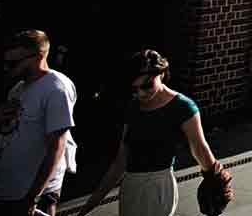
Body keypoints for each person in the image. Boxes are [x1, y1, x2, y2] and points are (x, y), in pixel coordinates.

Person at [79, 50, 228, 216]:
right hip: (130, 186)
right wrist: (89, 206)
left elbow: (200, 149)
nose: (141, 93)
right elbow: (121, 160)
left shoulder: (183, 107)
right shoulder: (132, 107)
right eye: (135, 88)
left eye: (147, 85)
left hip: (160, 187)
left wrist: (218, 178)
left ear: (162, 74)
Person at [0, 30, 77, 216]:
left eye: (14, 63)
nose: (9, 69)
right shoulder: (17, 89)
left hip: (30, 193)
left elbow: (57, 146)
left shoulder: (56, 88)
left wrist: (34, 196)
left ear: (38, 56)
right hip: (1, 188)